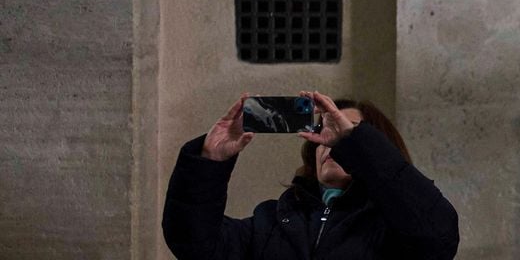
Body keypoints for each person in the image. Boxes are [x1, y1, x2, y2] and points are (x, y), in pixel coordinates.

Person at [162, 91, 459, 259]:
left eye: (343, 132)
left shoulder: (392, 229)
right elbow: (194, 245)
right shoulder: (271, 223)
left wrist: (353, 143)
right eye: (322, 133)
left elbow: (438, 236)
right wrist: (208, 160)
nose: (328, 141)